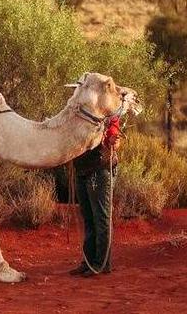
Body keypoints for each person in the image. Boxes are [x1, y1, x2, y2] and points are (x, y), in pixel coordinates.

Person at [69, 118, 121, 277]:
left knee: (100, 218)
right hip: (82, 170)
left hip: (99, 170)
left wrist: (113, 141)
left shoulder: (107, 114)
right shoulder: (78, 111)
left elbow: (114, 137)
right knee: (88, 218)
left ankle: (102, 263)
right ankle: (88, 262)